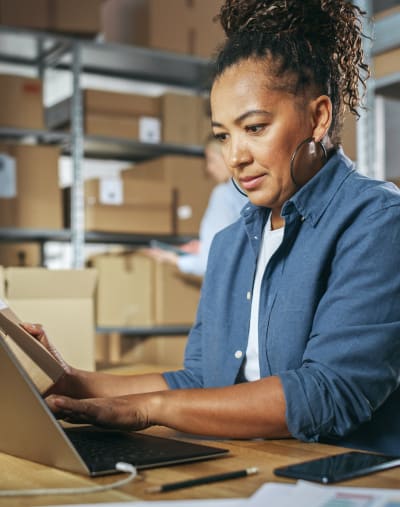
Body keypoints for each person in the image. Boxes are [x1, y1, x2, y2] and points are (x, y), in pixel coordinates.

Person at [23, 0, 400, 455]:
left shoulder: (376, 221)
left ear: (318, 118)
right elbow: (202, 380)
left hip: (345, 476)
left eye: (255, 127)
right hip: (250, 466)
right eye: (223, 135)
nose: (235, 156)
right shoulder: (230, 244)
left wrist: (150, 410)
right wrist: (71, 381)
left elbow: (329, 392)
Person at [145, 135, 247, 276]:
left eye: (211, 160)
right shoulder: (252, 192)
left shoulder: (223, 195)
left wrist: (174, 259)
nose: (209, 168)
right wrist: (203, 247)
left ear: (227, 157)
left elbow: (209, 263)